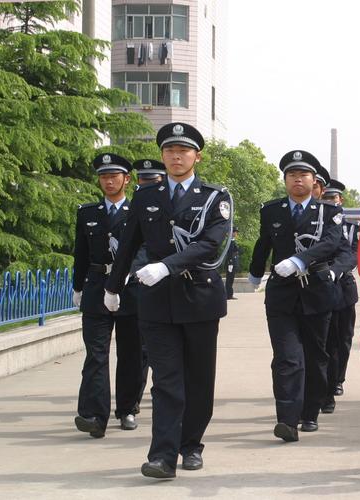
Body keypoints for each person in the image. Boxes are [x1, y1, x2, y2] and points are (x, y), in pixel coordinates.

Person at [104, 122, 232, 479]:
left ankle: (191, 444)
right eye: (170, 151)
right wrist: (112, 288)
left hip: (200, 299)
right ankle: (162, 455)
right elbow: (129, 244)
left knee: (199, 379)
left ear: (197, 156)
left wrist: (165, 266)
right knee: (166, 380)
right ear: (162, 156)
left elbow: (210, 244)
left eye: (183, 151)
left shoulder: (214, 197)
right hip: (157, 303)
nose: (176, 156)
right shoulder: (147, 196)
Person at [248, 150, 343, 442]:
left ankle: (310, 413)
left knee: (315, 356)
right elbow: (264, 243)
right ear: (285, 180)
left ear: (314, 181)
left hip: (316, 291)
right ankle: (287, 420)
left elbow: (330, 243)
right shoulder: (271, 210)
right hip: (282, 294)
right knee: (287, 357)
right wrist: (254, 272)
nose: (297, 180)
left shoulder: (329, 212)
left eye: (303, 175)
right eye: (292, 175)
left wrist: (301, 261)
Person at [72, 153, 142, 438]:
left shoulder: (139, 211)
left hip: (131, 289)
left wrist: (131, 272)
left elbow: (147, 249)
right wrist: (77, 287)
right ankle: (94, 415)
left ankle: (127, 408)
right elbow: (81, 253)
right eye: (104, 176)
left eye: (114, 176)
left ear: (126, 179)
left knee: (131, 354)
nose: (109, 181)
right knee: (96, 354)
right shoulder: (88, 213)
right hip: (96, 286)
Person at [127, 159, 167, 415]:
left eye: (151, 182)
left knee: (165, 351)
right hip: (137, 287)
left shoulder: (170, 208)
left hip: (168, 284)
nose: (145, 186)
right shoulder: (135, 207)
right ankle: (132, 402)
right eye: (142, 181)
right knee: (139, 350)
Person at [320, 178, 360, 412]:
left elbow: (355, 254)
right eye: (326, 198)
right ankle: (325, 383)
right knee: (326, 340)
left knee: (343, 339)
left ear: (340, 201)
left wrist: (336, 270)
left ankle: (337, 380)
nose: (330, 202)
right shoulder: (317, 224)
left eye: (333, 198)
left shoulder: (353, 227)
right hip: (322, 286)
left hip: (343, 286)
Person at [224, 228, 240, 300]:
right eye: (235, 232)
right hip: (230, 263)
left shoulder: (232, 241)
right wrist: (230, 262)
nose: (236, 234)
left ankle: (229, 294)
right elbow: (230, 253)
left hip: (232, 262)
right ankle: (228, 295)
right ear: (232, 233)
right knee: (229, 279)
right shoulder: (230, 241)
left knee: (231, 279)